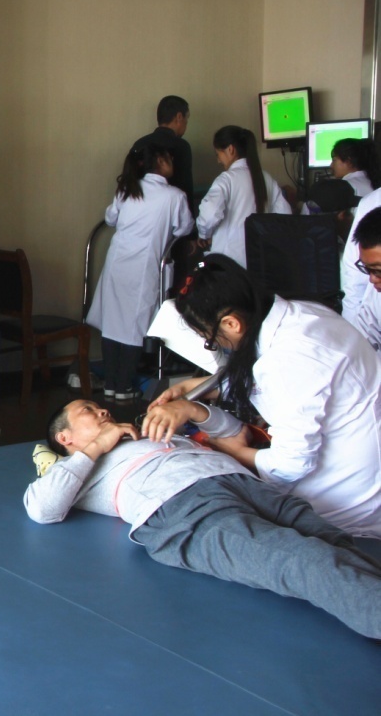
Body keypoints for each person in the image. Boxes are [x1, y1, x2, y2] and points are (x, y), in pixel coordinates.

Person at [25, 399, 381, 640]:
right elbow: (42, 508)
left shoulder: (146, 430)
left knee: (332, 541)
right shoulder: (78, 469)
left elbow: (234, 431)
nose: (102, 409)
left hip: (244, 483)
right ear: (64, 437)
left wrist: (190, 408)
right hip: (184, 505)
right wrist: (99, 445)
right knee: (303, 559)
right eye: (88, 410)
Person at [140, 255, 381, 538]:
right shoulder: (304, 315)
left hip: (348, 505)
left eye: (210, 339)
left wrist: (231, 451)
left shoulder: (286, 359)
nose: (214, 345)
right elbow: (273, 384)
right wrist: (193, 391)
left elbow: (290, 465)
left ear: (231, 324)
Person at [84, 143, 192, 401]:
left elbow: (110, 219)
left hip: (117, 263)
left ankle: (111, 384)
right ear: (160, 162)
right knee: (134, 326)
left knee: (112, 325)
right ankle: (124, 388)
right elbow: (185, 228)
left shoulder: (128, 189)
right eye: (169, 158)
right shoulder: (174, 196)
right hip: (144, 267)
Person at [195, 125, 291, 268]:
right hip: (260, 263)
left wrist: (204, 234)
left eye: (218, 154)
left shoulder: (226, 179)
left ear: (230, 149)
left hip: (229, 264)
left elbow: (209, 213)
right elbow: (284, 216)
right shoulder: (266, 178)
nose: (218, 161)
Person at [129, 96, 194, 212]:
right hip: (170, 213)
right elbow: (185, 187)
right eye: (187, 119)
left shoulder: (139, 143)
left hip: (137, 211)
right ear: (179, 117)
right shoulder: (181, 146)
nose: (186, 124)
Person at [345, 207, 381, 352]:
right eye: (367, 269)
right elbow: (360, 341)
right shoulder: (377, 297)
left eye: (378, 271)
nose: (372, 279)